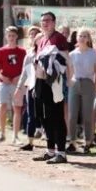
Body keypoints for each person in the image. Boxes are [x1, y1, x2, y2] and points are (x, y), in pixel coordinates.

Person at [31, 11, 70, 164]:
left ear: (54, 22)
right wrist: (35, 85)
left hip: (54, 83)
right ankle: (50, 150)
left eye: (47, 20)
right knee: (44, 118)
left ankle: (61, 152)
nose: (44, 23)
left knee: (57, 117)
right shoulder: (42, 40)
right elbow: (39, 62)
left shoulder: (58, 38)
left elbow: (65, 59)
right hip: (40, 84)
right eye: (42, 21)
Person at [0, 27, 26, 142]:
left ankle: (15, 136)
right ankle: (2, 133)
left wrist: (19, 77)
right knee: (2, 107)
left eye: (13, 35)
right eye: (9, 36)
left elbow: (26, 67)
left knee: (17, 108)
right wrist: (2, 77)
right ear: (6, 37)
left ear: (17, 37)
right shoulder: (1, 51)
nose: (11, 38)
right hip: (4, 83)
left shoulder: (22, 51)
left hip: (17, 84)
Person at [66, 29, 96, 153]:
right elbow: (69, 70)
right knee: (72, 115)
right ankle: (72, 142)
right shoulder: (72, 54)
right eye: (80, 36)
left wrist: (95, 87)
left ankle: (88, 142)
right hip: (75, 84)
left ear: (88, 39)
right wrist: (69, 82)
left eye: (85, 36)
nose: (82, 38)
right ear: (76, 38)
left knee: (87, 115)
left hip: (88, 84)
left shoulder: (93, 54)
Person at [16, 26, 41, 150]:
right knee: (31, 114)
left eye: (37, 35)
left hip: (44, 88)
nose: (35, 38)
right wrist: (18, 88)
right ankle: (30, 142)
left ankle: (51, 143)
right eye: (32, 35)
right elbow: (24, 73)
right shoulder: (29, 55)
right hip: (31, 87)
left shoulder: (46, 52)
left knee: (44, 115)